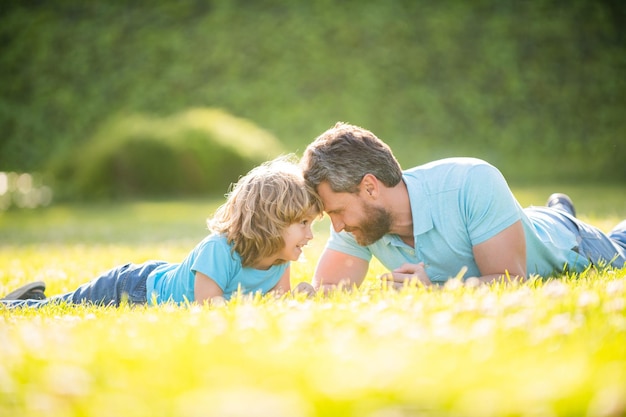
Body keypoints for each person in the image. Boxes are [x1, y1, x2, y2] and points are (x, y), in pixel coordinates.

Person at [300, 122, 626, 291]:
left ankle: (562, 213)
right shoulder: (362, 223)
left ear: (370, 187)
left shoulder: (472, 180)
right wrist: (304, 295)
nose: (338, 226)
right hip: (514, 223)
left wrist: (437, 291)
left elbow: (511, 281)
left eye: (338, 213)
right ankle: (558, 207)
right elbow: (330, 289)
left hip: (573, 244)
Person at [1, 156, 322, 308]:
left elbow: (277, 305)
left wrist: (298, 299)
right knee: (63, 306)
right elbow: (210, 309)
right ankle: (15, 305)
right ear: (270, 221)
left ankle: (30, 297)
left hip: (153, 280)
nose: (310, 235)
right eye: (303, 224)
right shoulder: (220, 250)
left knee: (63, 303)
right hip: (132, 287)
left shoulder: (281, 260)